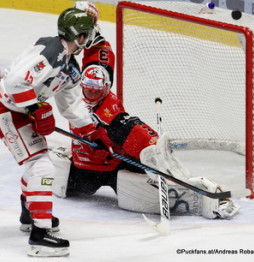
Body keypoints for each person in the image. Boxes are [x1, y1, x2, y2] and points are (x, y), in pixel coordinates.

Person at [50, 9, 239, 220]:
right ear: (81, 85)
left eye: (96, 91)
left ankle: (206, 194)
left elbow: (144, 139)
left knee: (141, 176)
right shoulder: (76, 91)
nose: (92, 94)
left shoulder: (109, 112)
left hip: (111, 166)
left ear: (106, 86)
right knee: (72, 185)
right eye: (88, 90)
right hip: (86, 169)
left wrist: (154, 151)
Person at [0, 7, 112, 257]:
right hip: (4, 108)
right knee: (42, 165)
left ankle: (30, 213)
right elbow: (14, 82)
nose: (93, 35)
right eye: (89, 31)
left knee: (39, 161)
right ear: (80, 36)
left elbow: (71, 106)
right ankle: (40, 236)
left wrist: (93, 134)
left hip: (18, 110)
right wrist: (36, 107)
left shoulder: (70, 66)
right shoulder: (51, 52)